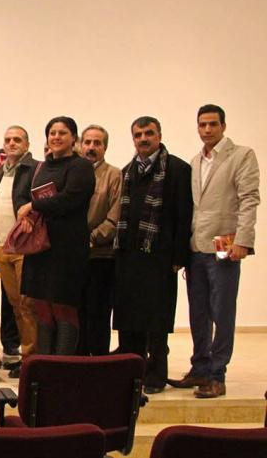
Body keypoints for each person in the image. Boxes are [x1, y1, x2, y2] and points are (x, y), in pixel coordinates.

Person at [170, 104, 260, 399]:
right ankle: (200, 367)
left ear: (223, 126)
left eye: (212, 124)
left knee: (222, 311)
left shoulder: (241, 155)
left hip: (226, 245)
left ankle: (217, 374)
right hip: (197, 247)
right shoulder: (195, 161)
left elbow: (249, 199)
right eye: (202, 124)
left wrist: (243, 240)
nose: (207, 129)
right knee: (198, 312)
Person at [110, 117, 193, 394]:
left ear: (159, 135)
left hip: (160, 258)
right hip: (129, 257)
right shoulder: (127, 171)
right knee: (129, 319)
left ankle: (156, 375)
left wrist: (179, 257)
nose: (143, 138)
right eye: (138, 134)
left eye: (148, 133)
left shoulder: (178, 170)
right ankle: (130, 373)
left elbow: (184, 215)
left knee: (156, 320)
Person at [15, 117, 95, 356]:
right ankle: (44, 363)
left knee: (63, 308)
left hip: (67, 248)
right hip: (40, 247)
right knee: (42, 307)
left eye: (62, 133)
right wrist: (27, 215)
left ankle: (63, 365)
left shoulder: (81, 166)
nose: (56, 137)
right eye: (52, 133)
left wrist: (33, 206)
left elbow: (70, 199)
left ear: (74, 138)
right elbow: (23, 195)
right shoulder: (41, 167)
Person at [0, 125, 38, 373]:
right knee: (16, 305)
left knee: (28, 306)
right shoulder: (0, 172)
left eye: (17, 139)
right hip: (1, 246)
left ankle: (33, 360)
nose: (12, 143)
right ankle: (24, 355)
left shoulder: (35, 169)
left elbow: (42, 201)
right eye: (7, 139)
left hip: (24, 247)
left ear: (27, 144)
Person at [78, 125, 122, 356]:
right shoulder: (74, 173)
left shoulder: (114, 175)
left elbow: (115, 217)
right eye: (87, 142)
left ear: (105, 147)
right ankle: (78, 363)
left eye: (97, 143)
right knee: (77, 314)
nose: (91, 147)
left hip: (101, 256)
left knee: (98, 313)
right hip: (74, 258)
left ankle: (98, 363)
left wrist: (92, 238)